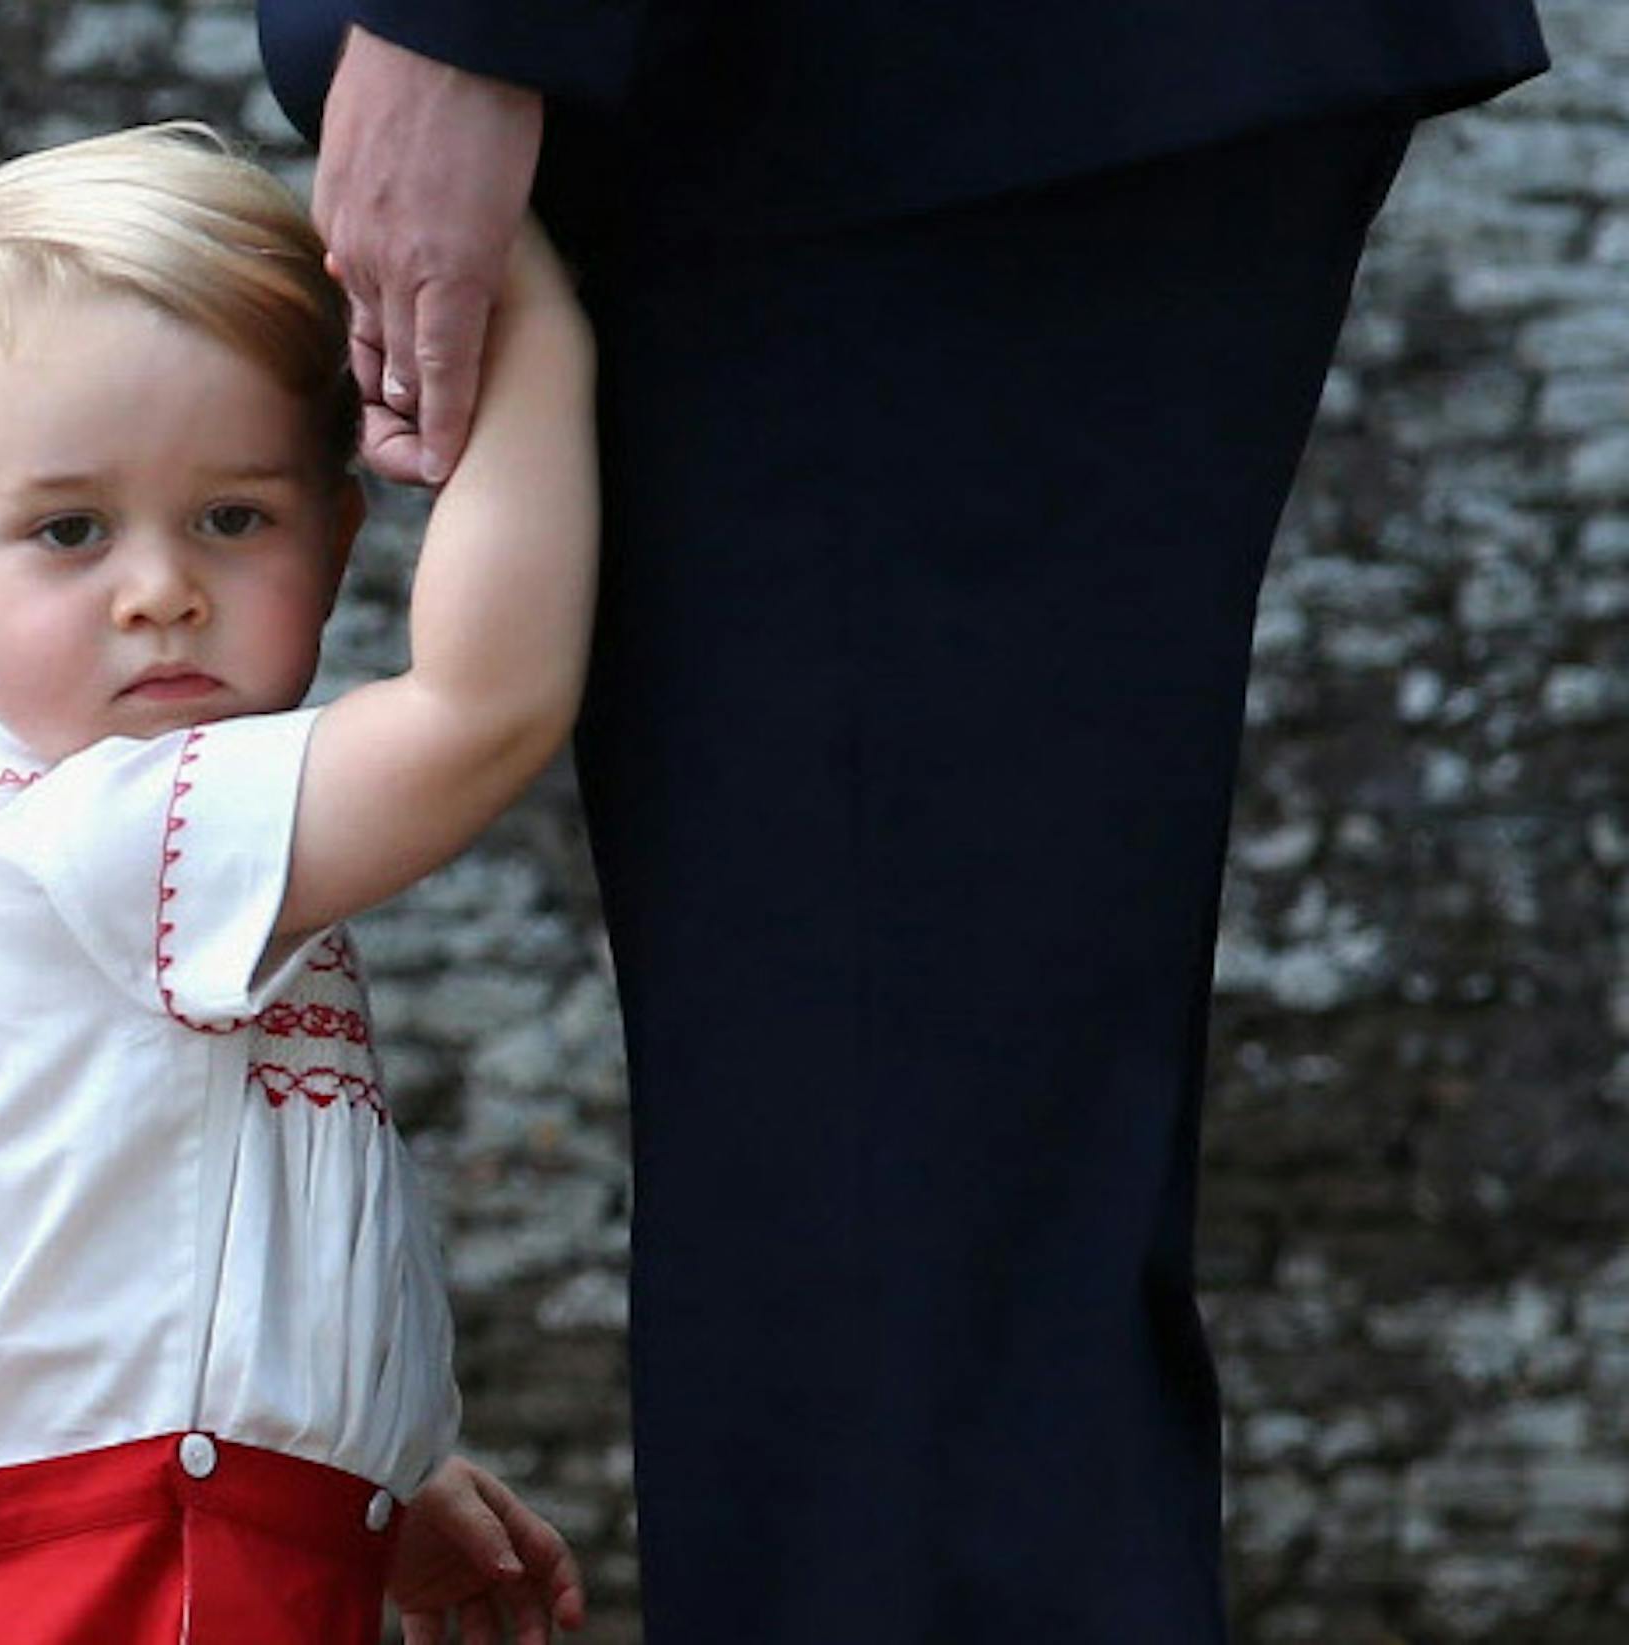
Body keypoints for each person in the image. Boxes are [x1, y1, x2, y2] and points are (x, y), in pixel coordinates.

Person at [256, 3, 1550, 1641]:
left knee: (895, 1292)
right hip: (890, 129)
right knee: (911, 1257)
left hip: (888, 119)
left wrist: (468, 19)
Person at [0, 122, 592, 1645]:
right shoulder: (96, 831)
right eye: (70, 529)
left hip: (156, 1546)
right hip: (86, 1576)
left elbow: (168, 1238)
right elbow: (484, 709)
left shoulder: (142, 834)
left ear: (336, 539)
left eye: (233, 518)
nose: (161, 588)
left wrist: (361, 1464)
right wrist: (532, 310)